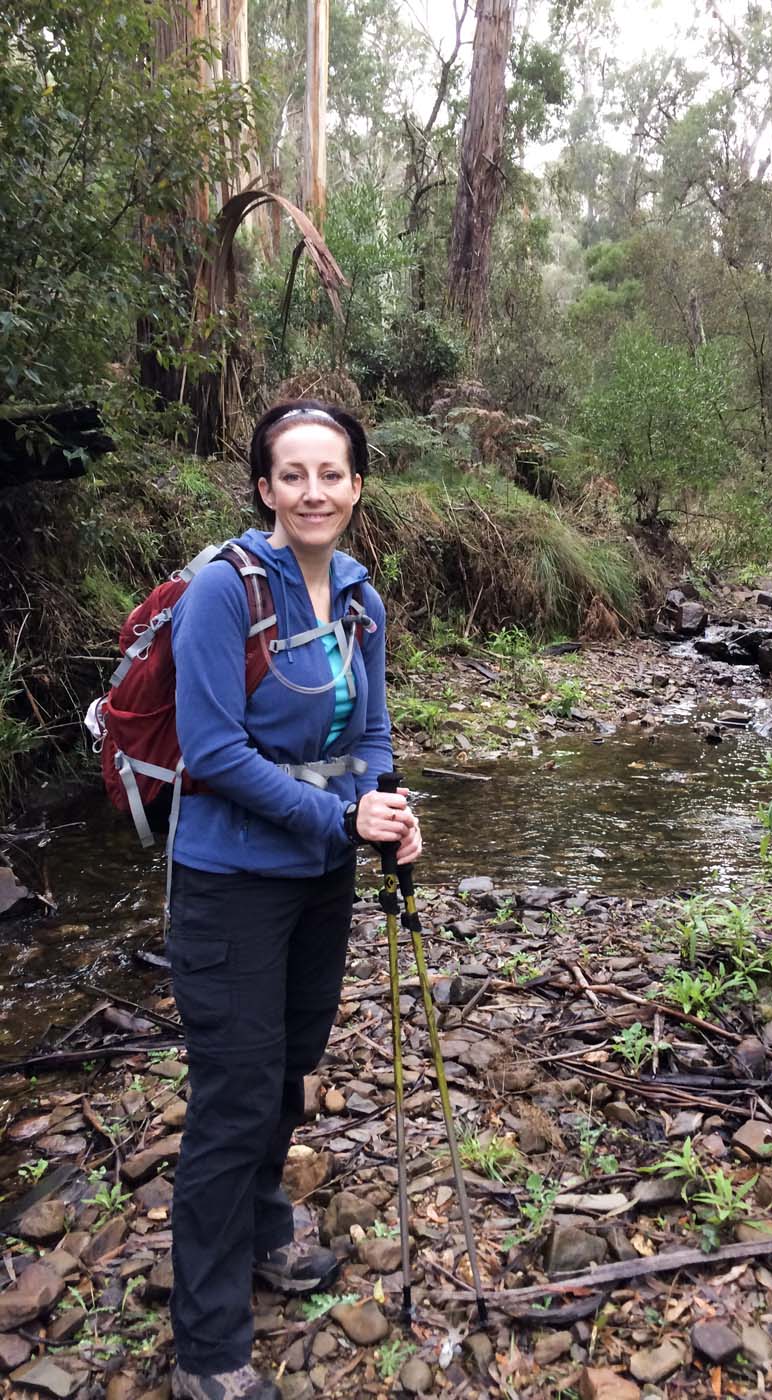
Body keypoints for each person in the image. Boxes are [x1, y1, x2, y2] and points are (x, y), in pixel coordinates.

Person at [166, 400, 421, 1400]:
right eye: (293, 474)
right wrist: (340, 821)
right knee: (233, 1097)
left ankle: (268, 1222)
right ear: (265, 486)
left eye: (333, 473)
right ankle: (207, 1346)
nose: (314, 491)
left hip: (322, 875)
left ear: (358, 484)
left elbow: (376, 732)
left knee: (287, 1066)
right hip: (230, 881)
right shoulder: (223, 593)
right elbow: (214, 750)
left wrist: (393, 810)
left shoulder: (358, 593)